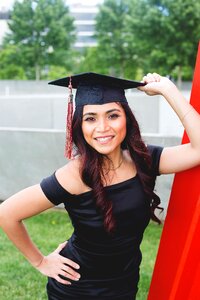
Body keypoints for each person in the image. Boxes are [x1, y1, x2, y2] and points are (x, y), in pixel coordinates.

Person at [0, 72, 200, 300]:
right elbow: (7, 213)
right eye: (90, 118)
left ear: (127, 118)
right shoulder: (75, 175)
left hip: (124, 283)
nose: (102, 127)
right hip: (78, 288)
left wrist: (168, 90)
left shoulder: (145, 159)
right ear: (79, 126)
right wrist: (40, 261)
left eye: (112, 115)